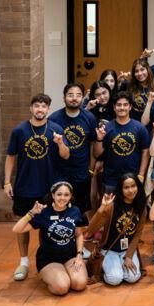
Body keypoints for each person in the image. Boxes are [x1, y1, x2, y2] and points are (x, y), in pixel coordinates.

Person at [12, 181, 86, 295]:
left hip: (70, 256)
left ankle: (65, 272)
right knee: (62, 288)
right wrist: (31, 213)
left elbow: (79, 235)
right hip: (49, 259)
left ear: (71, 196)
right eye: (59, 194)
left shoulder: (74, 211)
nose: (62, 198)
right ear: (53, 195)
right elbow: (16, 229)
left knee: (79, 284)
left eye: (66, 195)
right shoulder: (44, 213)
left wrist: (79, 255)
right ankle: (51, 275)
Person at [83, 173, 146, 286]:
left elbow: (137, 235)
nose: (131, 190)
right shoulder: (111, 206)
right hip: (110, 250)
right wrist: (102, 209)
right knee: (115, 279)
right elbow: (91, 229)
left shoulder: (141, 206)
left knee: (133, 277)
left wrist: (129, 256)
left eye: (133, 186)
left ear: (138, 187)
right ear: (120, 189)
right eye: (126, 187)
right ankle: (104, 270)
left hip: (126, 251)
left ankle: (117, 265)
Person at [49, 83, 97, 215]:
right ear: (64, 97)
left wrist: (91, 169)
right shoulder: (54, 119)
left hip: (81, 171)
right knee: (59, 208)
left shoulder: (89, 118)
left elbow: (93, 144)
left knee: (80, 210)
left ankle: (80, 235)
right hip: (60, 171)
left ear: (83, 98)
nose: (74, 98)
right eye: (70, 95)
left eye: (78, 95)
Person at [94, 93, 150, 193]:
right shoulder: (106, 128)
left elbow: (145, 151)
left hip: (133, 179)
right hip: (111, 180)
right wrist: (99, 139)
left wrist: (141, 174)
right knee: (109, 208)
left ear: (130, 107)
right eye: (119, 105)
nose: (122, 107)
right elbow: (97, 154)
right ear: (114, 107)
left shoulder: (140, 128)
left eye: (125, 105)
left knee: (132, 208)